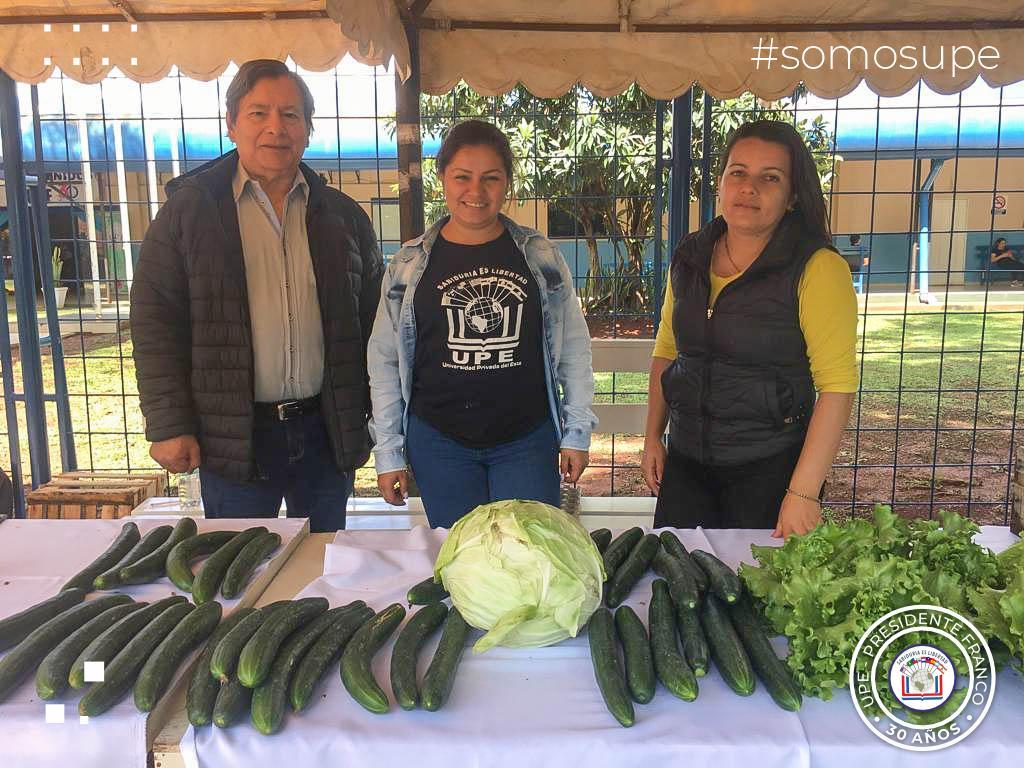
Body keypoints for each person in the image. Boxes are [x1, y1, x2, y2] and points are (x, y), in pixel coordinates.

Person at [130, 59, 383, 533]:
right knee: (238, 576)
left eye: (290, 115)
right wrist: (167, 423)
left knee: (325, 567)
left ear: (308, 128)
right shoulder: (190, 212)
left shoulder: (344, 218)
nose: (275, 128)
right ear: (231, 124)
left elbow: (375, 325)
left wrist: (375, 417)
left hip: (325, 431)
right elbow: (153, 320)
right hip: (234, 435)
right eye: (258, 113)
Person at [368, 119, 596, 528]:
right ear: (442, 179)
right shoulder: (407, 264)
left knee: (526, 557)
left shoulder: (540, 256)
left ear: (507, 183)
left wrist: (576, 432)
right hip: (439, 443)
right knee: (464, 563)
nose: (476, 191)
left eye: (491, 178)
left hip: (525, 441)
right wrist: (389, 452)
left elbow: (575, 351)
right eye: (462, 177)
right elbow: (384, 361)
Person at [640, 120, 858, 539]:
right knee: (679, 587)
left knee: (758, 597)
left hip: (769, 472)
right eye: (737, 172)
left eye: (770, 178)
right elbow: (667, 349)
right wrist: (653, 437)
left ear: (793, 195)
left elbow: (837, 387)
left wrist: (803, 493)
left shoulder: (817, 268)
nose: (749, 187)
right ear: (720, 183)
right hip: (686, 468)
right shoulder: (690, 254)